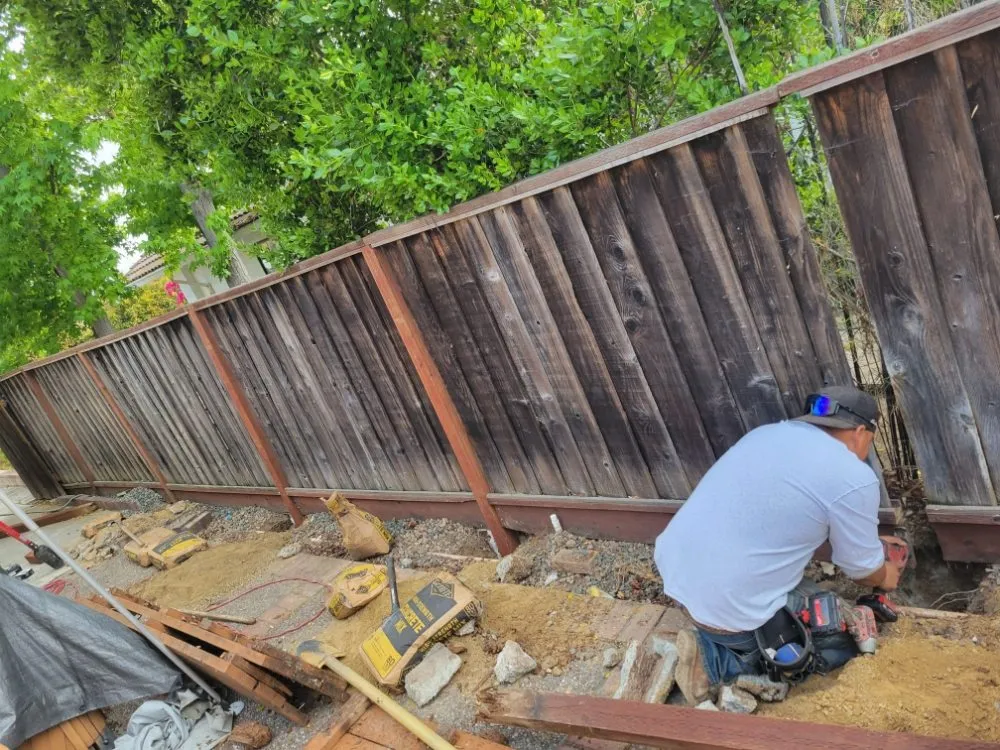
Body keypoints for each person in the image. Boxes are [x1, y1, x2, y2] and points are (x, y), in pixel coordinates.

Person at [653, 385, 906, 705]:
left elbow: (777, 515)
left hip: (678, 571)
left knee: (811, 596)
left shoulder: (766, 435)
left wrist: (871, 546)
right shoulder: (853, 475)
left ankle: (713, 633)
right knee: (836, 645)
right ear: (860, 432)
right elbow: (862, 571)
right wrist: (887, 576)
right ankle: (718, 663)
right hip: (726, 604)